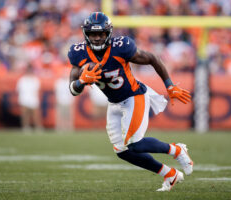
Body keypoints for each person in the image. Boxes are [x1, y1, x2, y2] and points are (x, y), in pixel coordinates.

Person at [68, 12, 193, 192]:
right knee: (122, 151)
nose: (96, 38)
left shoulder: (121, 47)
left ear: (108, 33)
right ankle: (169, 174)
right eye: (93, 34)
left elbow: (152, 58)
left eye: (101, 34)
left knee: (135, 144)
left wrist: (169, 85)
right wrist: (81, 81)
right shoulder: (77, 53)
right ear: (86, 34)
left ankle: (177, 150)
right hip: (114, 102)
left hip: (134, 96)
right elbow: (73, 89)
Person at [16, 65, 42, 132]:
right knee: (25, 115)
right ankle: (25, 127)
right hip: (24, 99)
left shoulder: (35, 80)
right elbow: (18, 90)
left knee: (35, 115)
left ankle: (38, 127)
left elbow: (36, 90)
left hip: (33, 99)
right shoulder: (22, 80)